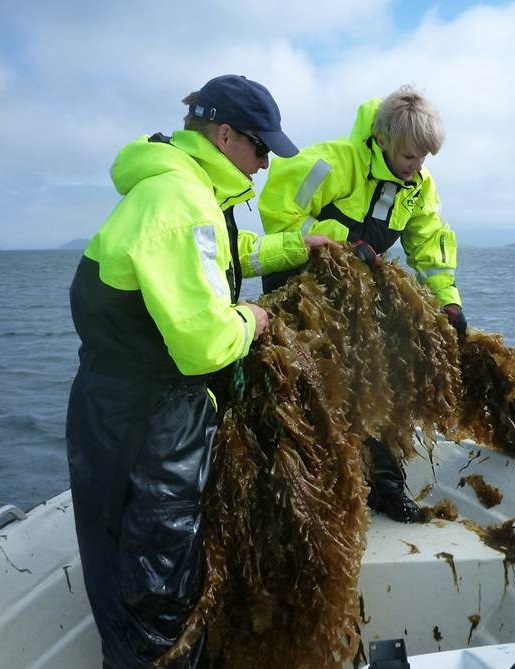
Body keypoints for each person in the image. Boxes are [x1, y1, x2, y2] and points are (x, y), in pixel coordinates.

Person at [65, 74, 339, 667]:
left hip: (131, 404)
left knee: (140, 565)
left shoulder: (192, 191)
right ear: (224, 134)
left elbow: (225, 259)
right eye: (260, 147)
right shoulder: (180, 203)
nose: (266, 163)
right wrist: (255, 321)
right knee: (155, 591)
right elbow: (206, 344)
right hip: (144, 420)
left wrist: (298, 245)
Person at [258, 84, 466, 523]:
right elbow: (281, 216)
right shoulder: (331, 162)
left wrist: (447, 302)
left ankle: (385, 484)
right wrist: (340, 242)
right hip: (301, 285)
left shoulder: (418, 186)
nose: (417, 168)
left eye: (424, 158)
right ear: (385, 139)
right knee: (307, 386)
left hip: (359, 294)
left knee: (379, 378)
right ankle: (302, 492)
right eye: (409, 156)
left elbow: (428, 243)